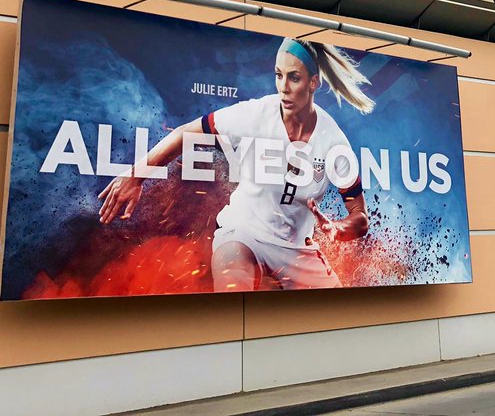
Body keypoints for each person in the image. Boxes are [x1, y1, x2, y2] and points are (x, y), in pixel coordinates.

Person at [97, 37, 374, 291]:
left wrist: (341, 228)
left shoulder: (333, 141)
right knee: (233, 282)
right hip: (243, 233)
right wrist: (136, 177)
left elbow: (359, 216)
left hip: (297, 250)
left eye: (294, 78)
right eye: (279, 76)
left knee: (339, 319)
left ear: (313, 83)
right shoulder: (254, 114)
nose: (283, 87)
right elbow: (185, 133)